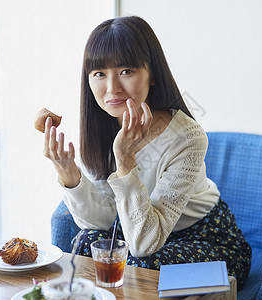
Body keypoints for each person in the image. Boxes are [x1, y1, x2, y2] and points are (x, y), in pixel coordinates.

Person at [43, 16, 251, 288]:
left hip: (205, 241)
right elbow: (101, 222)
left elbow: (143, 245)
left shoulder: (188, 137)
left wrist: (126, 161)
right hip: (139, 233)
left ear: (152, 74)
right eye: (99, 74)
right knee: (88, 244)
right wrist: (69, 174)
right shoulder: (101, 129)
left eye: (126, 71)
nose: (112, 88)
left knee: (135, 265)